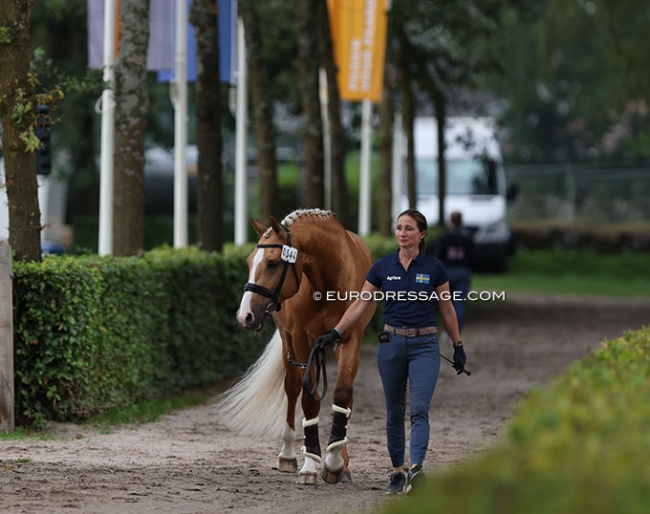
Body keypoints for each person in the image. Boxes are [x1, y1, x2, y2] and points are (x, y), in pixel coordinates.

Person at [313, 209, 467, 495]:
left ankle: (416, 469)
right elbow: (360, 304)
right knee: (394, 413)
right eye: (399, 228)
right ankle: (397, 472)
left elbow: (446, 307)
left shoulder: (434, 268)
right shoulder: (382, 267)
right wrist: (336, 331)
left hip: (425, 346)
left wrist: (457, 345)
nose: (402, 233)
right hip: (391, 345)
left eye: (409, 228)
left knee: (419, 410)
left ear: (422, 234)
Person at [435, 211, 474, 332]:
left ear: (450, 221)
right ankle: (457, 330)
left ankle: (446, 330)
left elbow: (438, 255)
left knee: (445, 303)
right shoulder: (467, 237)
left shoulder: (444, 236)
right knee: (459, 302)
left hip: (446, 272)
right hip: (462, 271)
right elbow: (473, 256)